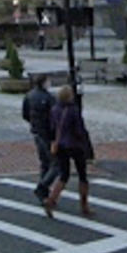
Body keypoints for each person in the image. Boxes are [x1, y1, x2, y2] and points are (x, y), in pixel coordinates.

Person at [41, 85, 94, 219]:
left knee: (64, 175)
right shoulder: (73, 110)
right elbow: (79, 130)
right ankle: (84, 205)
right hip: (75, 145)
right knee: (82, 175)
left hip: (60, 145)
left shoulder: (54, 109)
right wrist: (87, 147)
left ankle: (51, 199)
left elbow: (52, 127)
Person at [22, 76, 55, 203]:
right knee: (56, 164)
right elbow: (54, 117)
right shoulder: (49, 98)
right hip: (47, 134)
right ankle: (43, 187)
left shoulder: (29, 96)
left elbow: (25, 114)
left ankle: (44, 192)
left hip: (36, 132)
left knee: (44, 163)